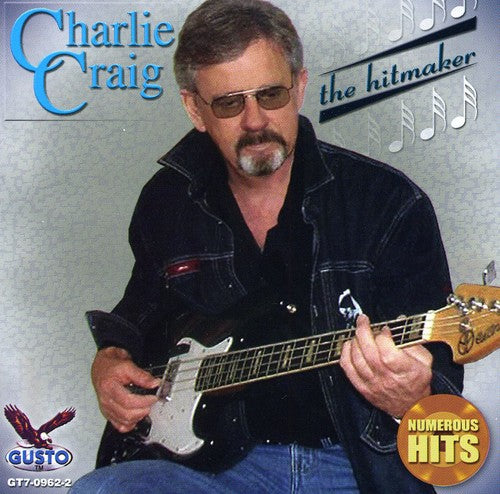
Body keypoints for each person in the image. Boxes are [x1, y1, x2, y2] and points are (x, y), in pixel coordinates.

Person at [71, 1, 464, 492]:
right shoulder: (168, 200)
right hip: (209, 470)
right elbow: (142, 308)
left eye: (271, 94)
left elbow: (449, 428)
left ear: (299, 87)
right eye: (229, 103)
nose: (255, 121)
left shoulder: (390, 204)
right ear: (195, 109)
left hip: (355, 466)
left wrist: (410, 401)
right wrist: (110, 358)